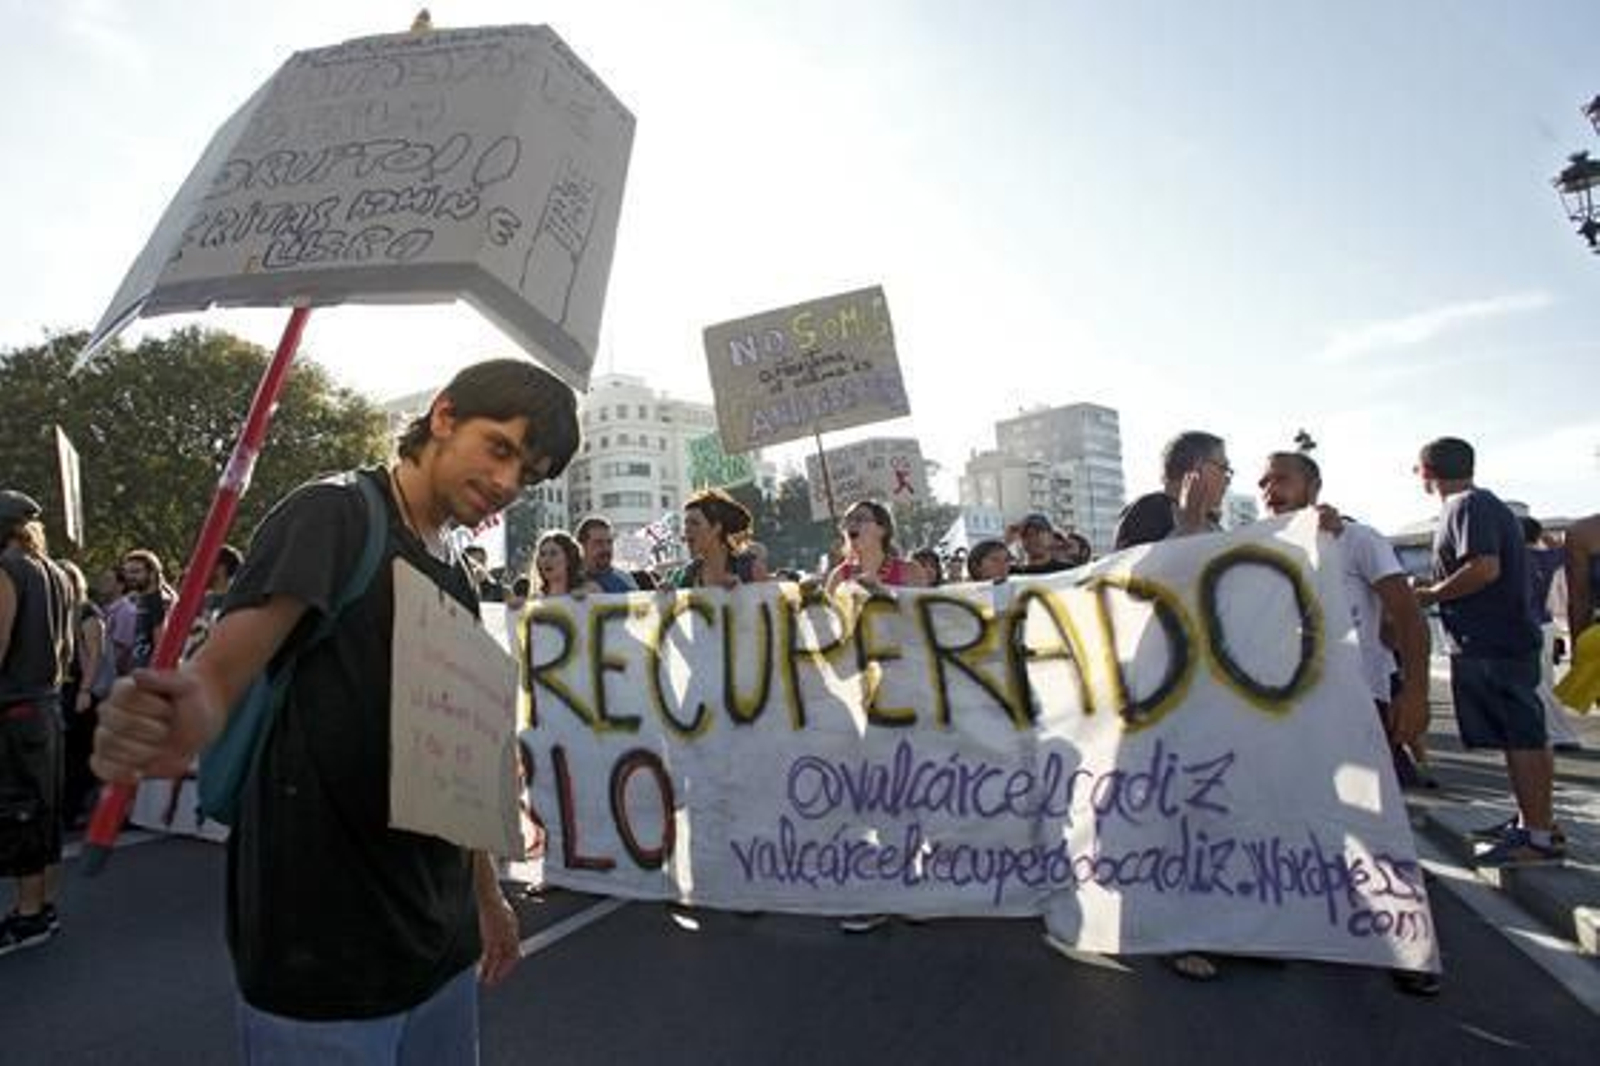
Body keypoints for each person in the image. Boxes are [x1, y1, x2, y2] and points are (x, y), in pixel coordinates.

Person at [92, 359, 579, 1059]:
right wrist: (187, 708)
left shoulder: (461, 576)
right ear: (443, 417)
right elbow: (223, 669)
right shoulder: (336, 513)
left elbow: (463, 768)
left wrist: (487, 898)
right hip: (322, 957)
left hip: (440, 948)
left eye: (526, 474)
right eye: (499, 447)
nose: (507, 483)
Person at [1105, 430, 1229, 981]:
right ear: (1196, 470)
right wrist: (1187, 522)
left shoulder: (1220, 527)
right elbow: (1128, 585)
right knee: (1168, 811)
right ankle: (1176, 930)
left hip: (1207, 689)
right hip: (1158, 690)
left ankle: (1218, 921)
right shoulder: (1152, 514)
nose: (1229, 477)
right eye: (1224, 467)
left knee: (1206, 808)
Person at [1411, 437, 1560, 866]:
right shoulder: (1484, 504)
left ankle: (1536, 838)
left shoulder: (1464, 506)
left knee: (1520, 738)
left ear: (1425, 472)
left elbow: (1484, 567)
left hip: (1492, 642)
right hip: (1503, 638)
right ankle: (1536, 823)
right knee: (1527, 734)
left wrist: (1431, 594)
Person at [828, 499, 924, 935]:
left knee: (908, 792)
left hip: (906, 697)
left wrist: (885, 598)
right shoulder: (838, 578)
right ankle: (878, 891)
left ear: (882, 529)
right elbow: (828, 645)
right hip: (858, 702)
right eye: (847, 522)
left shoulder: (910, 574)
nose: (851, 526)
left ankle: (913, 885)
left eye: (860, 520)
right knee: (871, 798)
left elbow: (932, 633)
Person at [0, 489, 74, 956]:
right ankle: (44, 905)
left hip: (14, 706)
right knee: (44, 808)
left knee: (17, 808)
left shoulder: (7, 569)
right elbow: (64, 648)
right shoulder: (57, 572)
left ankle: (27, 918)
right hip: (46, 703)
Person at [1112, 430, 1231, 550]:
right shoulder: (1149, 510)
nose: (1228, 479)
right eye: (1224, 468)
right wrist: (1189, 528)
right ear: (1198, 467)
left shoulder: (1210, 522)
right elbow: (1133, 565)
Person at [1522, 518, 1581, 750]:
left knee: (1536, 684)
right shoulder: (1546, 559)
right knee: (1543, 681)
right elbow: (1561, 550)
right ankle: (1554, 732)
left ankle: (1559, 734)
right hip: (1545, 625)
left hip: (1525, 626)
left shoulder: (1513, 559)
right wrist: (1545, 537)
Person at [670, 489, 768, 589]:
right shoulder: (687, 575)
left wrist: (742, 591)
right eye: (685, 523)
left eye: (695, 523)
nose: (686, 529)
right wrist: (666, 597)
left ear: (716, 528)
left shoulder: (750, 568)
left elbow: (773, 602)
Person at [120, 549, 174, 672]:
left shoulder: (158, 600)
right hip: (137, 670)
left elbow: (161, 643)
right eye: (127, 572)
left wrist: (152, 675)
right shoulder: (143, 598)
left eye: (136, 572)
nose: (129, 577)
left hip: (149, 674)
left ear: (152, 573)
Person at [575, 516, 639, 594]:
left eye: (609, 542)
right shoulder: (568, 580)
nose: (606, 548)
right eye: (598, 542)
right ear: (582, 545)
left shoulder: (625, 580)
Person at [530, 530, 592, 597]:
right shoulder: (535, 599)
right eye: (542, 554)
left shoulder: (589, 591)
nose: (546, 560)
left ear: (568, 559)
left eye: (553, 554)